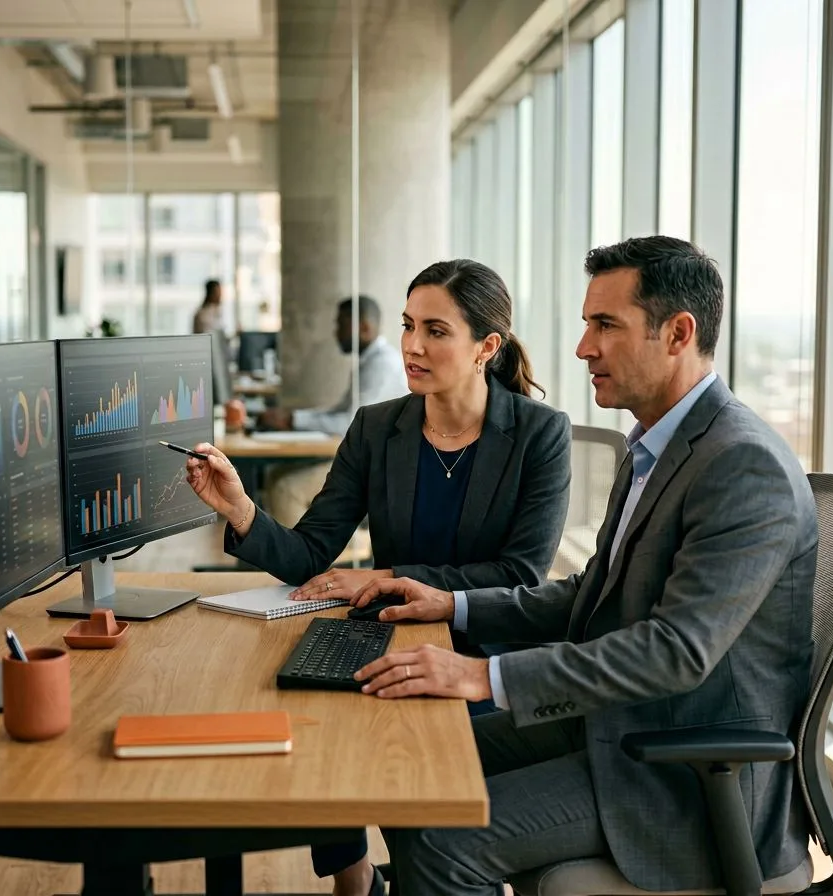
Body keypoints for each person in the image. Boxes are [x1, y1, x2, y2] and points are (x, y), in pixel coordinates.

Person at [351, 236, 817, 895]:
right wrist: (450, 604)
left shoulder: (742, 465)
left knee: (439, 837)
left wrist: (485, 674)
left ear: (678, 333)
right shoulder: (659, 446)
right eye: (585, 324)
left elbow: (675, 651)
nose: (582, 348)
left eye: (606, 326)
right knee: (416, 766)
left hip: (681, 775)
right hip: (616, 725)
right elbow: (590, 596)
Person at [185, 259, 573, 896]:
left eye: (436, 331)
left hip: (487, 647)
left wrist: (387, 573)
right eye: (408, 325)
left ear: (487, 347)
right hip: (392, 635)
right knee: (307, 713)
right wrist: (239, 509)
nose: (412, 346)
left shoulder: (538, 434)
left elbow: (519, 573)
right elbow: (313, 553)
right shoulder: (378, 427)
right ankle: (355, 877)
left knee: (396, 762)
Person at [256, 295, 408, 525]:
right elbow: (339, 411)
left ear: (364, 328)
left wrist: (293, 420)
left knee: (285, 488)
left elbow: (350, 423)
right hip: (364, 458)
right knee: (276, 473)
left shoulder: (382, 365)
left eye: (341, 324)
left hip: (376, 469)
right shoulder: (370, 361)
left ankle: (320, 556)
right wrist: (292, 418)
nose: (336, 332)